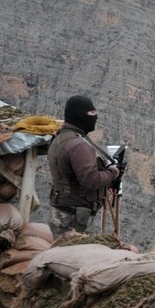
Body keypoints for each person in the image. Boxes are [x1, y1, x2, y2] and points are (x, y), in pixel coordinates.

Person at [47, 95, 120, 238]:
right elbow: (91, 180)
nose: (95, 116)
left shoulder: (60, 137)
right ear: (79, 115)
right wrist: (113, 172)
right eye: (91, 113)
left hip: (60, 210)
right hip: (73, 218)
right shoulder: (79, 146)